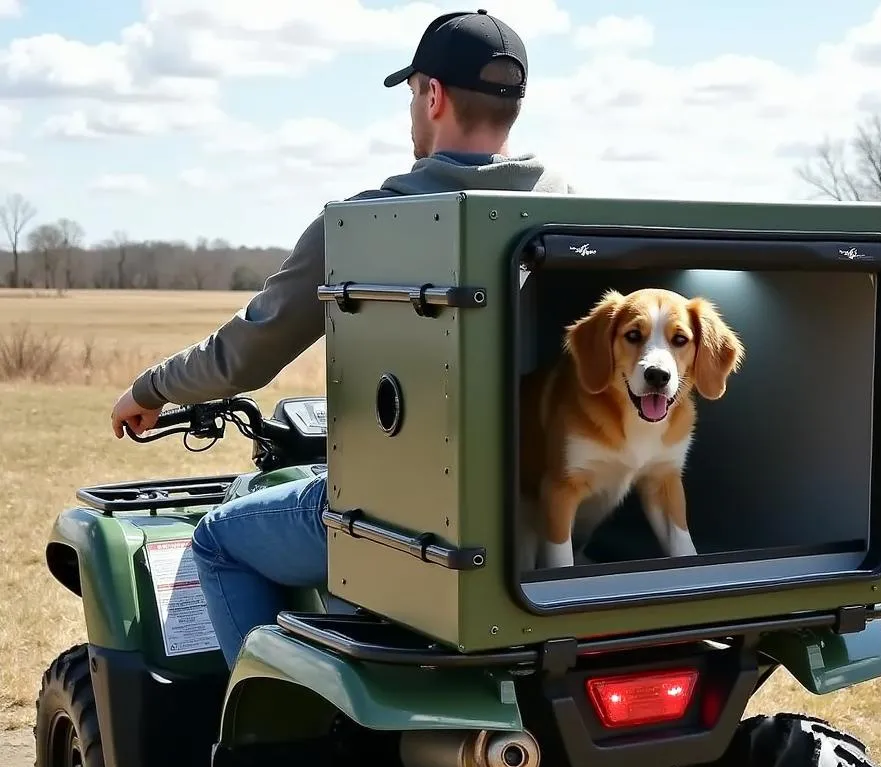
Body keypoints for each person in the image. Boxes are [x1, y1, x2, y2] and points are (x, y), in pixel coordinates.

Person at [109, 10, 573, 669]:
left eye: (413, 95)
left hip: (407, 523)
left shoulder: (364, 222)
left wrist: (149, 388)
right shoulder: (573, 212)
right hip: (542, 499)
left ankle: (267, 746)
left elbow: (245, 355)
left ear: (432, 95)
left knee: (215, 538)